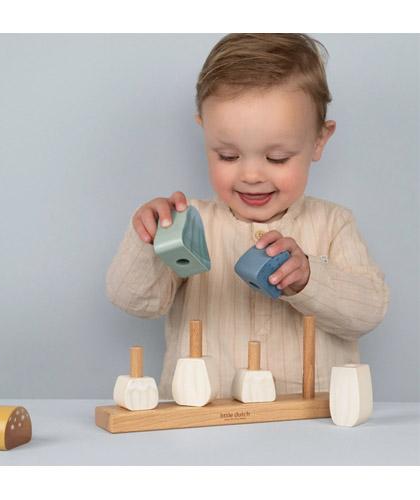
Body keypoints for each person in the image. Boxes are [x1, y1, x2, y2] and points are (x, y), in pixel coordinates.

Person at [106, 34, 389, 400]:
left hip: (308, 419)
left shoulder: (334, 224)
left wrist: (309, 278)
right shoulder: (190, 223)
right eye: (227, 155)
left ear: (319, 140)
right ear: (204, 132)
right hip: (203, 418)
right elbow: (133, 301)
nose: (251, 175)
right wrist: (149, 241)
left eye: (276, 158)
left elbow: (369, 312)